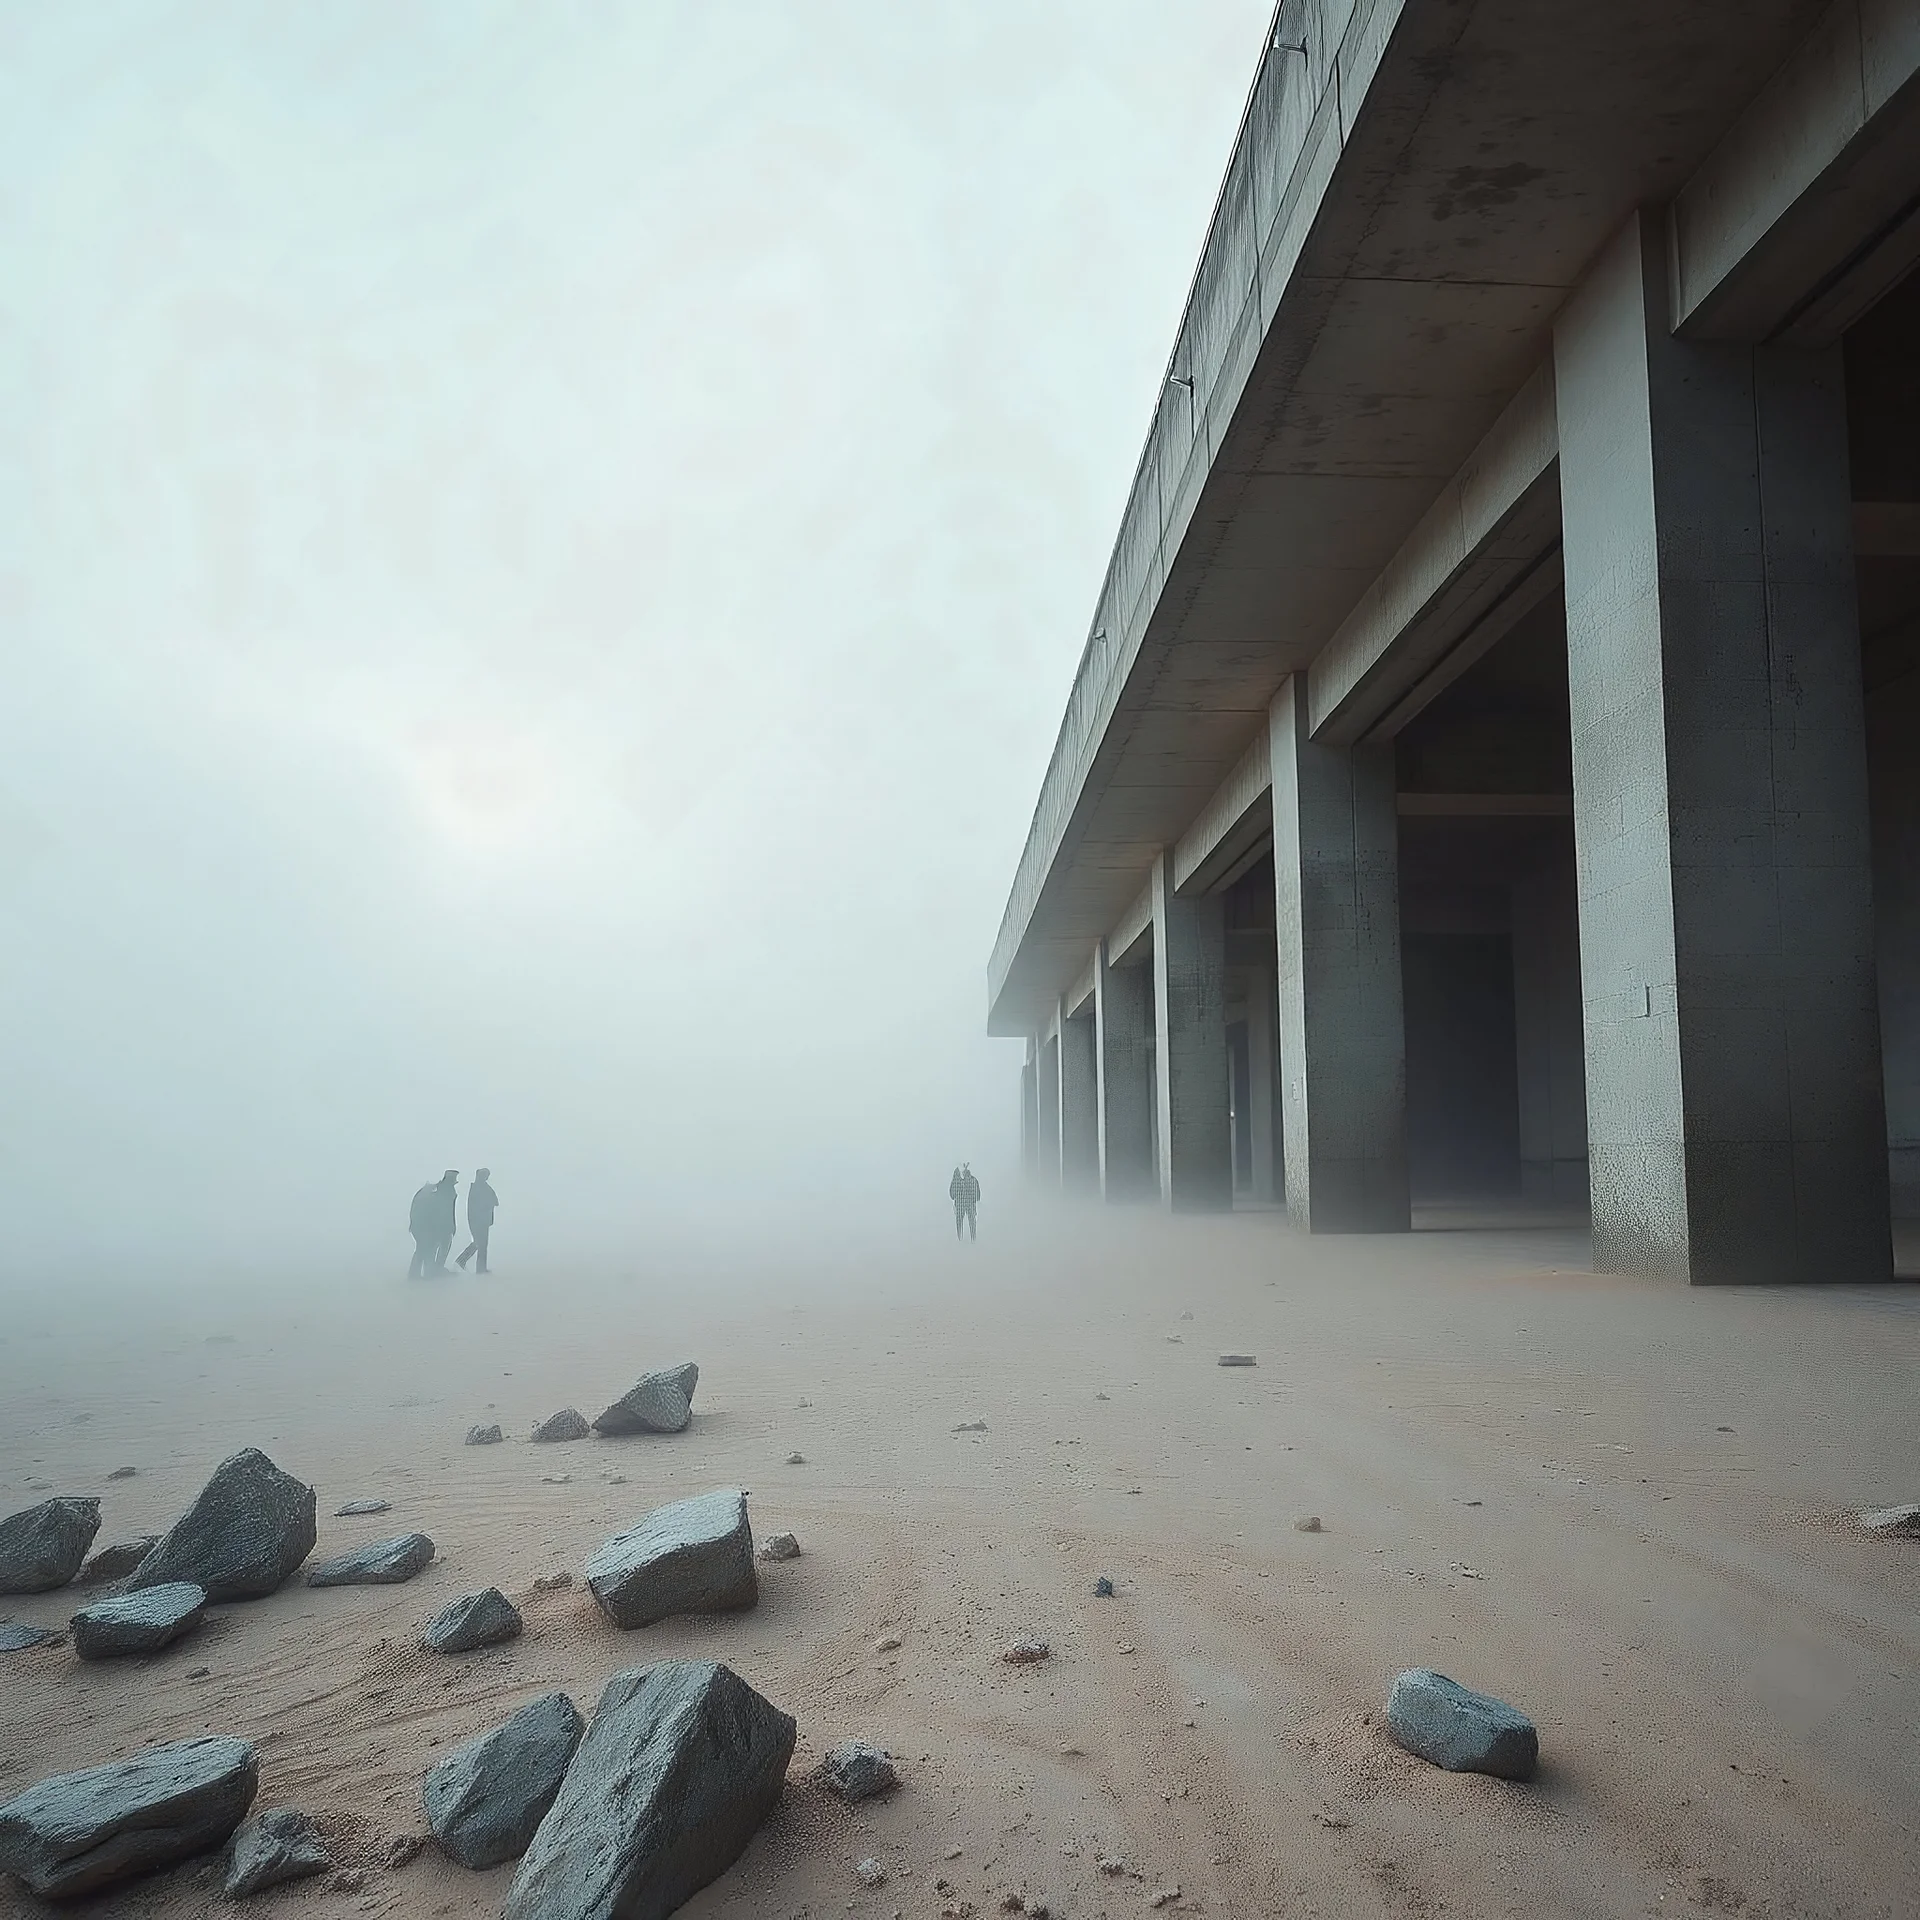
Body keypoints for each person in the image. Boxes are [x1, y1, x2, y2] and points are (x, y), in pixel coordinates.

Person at [456, 1168, 498, 1274]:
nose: (487, 1177)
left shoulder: (481, 1187)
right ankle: (464, 1261)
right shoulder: (479, 1188)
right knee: (480, 1244)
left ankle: (475, 1265)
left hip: (481, 1221)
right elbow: (488, 1203)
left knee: (480, 1244)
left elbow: (494, 1201)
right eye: (485, 1175)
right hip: (479, 1221)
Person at [429, 1169, 459, 1273]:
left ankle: (435, 1268)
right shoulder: (447, 1190)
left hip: (442, 1223)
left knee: (439, 1247)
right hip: (443, 1224)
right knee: (442, 1247)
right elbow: (447, 1209)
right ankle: (436, 1269)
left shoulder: (442, 1188)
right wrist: (451, 1224)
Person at [407, 1180, 438, 1277]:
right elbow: (425, 1213)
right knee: (423, 1250)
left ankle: (416, 1274)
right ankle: (418, 1274)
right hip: (421, 1228)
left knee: (421, 1250)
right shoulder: (425, 1196)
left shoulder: (421, 1194)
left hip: (417, 1227)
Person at [950, 1162, 980, 1240]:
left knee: (959, 1223)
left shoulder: (955, 1181)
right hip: (970, 1204)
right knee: (972, 1222)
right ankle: (973, 1239)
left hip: (959, 1205)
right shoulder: (973, 1179)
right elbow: (978, 1195)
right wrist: (973, 1199)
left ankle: (959, 1238)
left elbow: (952, 1195)